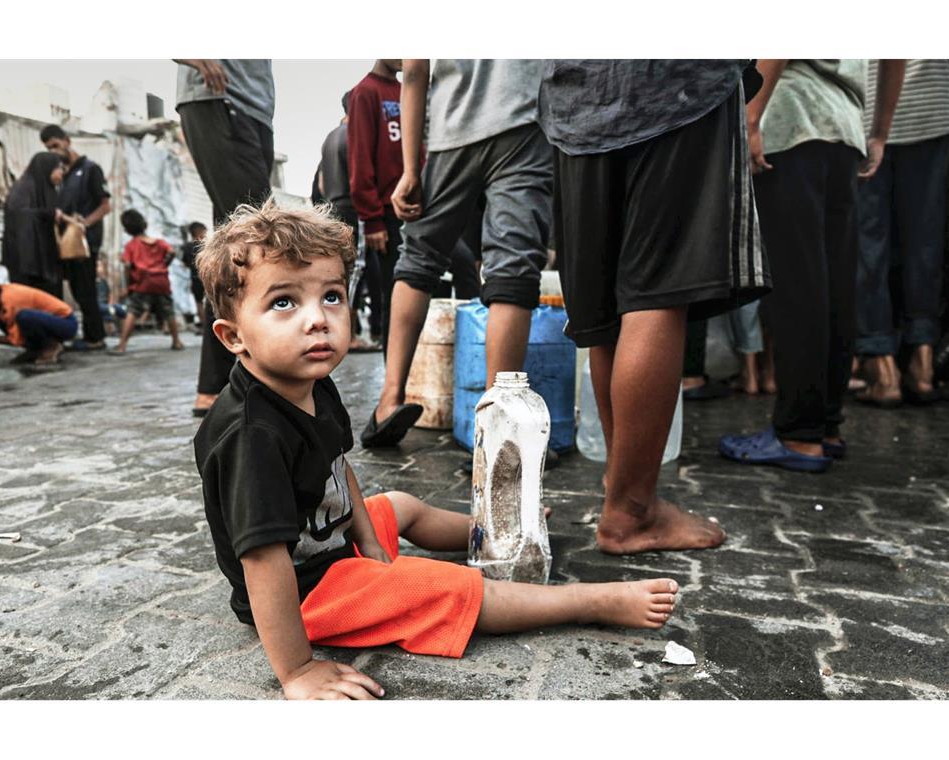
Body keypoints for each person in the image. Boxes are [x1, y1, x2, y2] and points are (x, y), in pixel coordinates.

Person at [192, 200, 680, 700]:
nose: (318, 320)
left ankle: (495, 532)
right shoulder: (251, 436)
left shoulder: (310, 381)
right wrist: (297, 669)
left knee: (400, 505)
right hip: (303, 593)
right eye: (283, 303)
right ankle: (585, 602)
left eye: (332, 296)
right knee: (442, 589)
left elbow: (337, 469)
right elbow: (263, 563)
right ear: (233, 337)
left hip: (328, 545)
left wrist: (371, 538)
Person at [539, 60, 771, 553]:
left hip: (576, 95)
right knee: (656, 292)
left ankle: (620, 486)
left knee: (602, 309)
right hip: (671, 83)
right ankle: (631, 510)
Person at [721, 60, 906, 472]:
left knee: (796, 283)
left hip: (792, 116)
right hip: (844, 125)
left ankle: (798, 433)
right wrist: (879, 132)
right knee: (834, 281)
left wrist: (751, 117)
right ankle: (824, 426)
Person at [362, 59, 554, 449]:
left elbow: (415, 70)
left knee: (419, 256)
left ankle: (390, 400)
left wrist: (411, 169)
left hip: (452, 128)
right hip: (523, 121)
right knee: (512, 270)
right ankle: (500, 431)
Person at [173, 59, 275, 417]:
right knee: (256, 238)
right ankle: (235, 378)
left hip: (254, 108)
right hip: (219, 98)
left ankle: (218, 382)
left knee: (236, 247)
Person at [855, 59, 949, 406]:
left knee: (868, 244)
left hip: (867, 110)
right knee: (926, 244)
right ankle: (922, 364)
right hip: (933, 107)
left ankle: (882, 369)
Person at [347, 60, 406, 349]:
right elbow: (360, 160)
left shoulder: (407, 90)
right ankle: (394, 381)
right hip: (385, 212)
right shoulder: (365, 92)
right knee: (391, 294)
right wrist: (371, 218)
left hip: (414, 208)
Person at [41, 125, 111, 351]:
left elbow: (105, 206)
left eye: (55, 145)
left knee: (86, 289)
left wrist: (84, 224)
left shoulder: (90, 169)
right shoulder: (62, 174)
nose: (53, 150)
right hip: (67, 242)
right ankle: (89, 334)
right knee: (77, 289)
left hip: (85, 242)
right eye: (48, 148)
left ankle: (95, 337)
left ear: (66, 140)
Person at [321, 91, 381, 351]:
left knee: (344, 269)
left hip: (333, 205)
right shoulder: (356, 134)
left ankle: (347, 331)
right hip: (353, 207)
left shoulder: (330, 137)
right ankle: (350, 335)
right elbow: (362, 176)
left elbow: (322, 182)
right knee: (355, 271)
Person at [0, 272, 76, 365]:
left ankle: (51, 345)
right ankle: (36, 349)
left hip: (66, 323)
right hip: (51, 322)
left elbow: (16, 340)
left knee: (24, 316)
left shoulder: (11, 300)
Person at [114, 209, 183, 354]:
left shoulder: (131, 245)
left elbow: (126, 265)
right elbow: (172, 252)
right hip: (161, 281)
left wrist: (128, 285)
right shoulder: (159, 242)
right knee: (168, 311)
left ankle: (122, 346)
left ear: (127, 229)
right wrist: (164, 265)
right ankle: (176, 341)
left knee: (133, 311)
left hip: (142, 283)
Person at [1, 152, 65, 295]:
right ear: (47, 168)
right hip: (25, 258)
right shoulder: (23, 188)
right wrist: (48, 214)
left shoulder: (48, 190)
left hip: (46, 257)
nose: (62, 172)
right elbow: (18, 214)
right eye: (59, 168)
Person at [95, 258, 126, 335]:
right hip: (97, 304)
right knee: (109, 310)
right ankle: (112, 330)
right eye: (97, 266)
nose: (99, 268)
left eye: (100, 266)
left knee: (121, 308)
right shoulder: (91, 282)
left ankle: (124, 331)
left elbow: (110, 294)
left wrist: (110, 303)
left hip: (106, 304)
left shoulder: (104, 281)